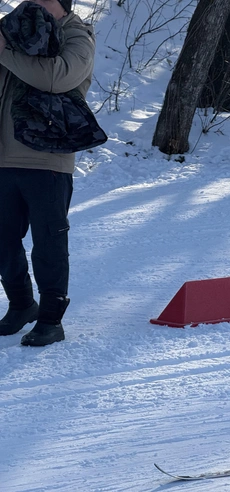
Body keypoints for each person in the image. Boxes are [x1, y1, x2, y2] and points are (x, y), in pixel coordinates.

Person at [0, 0, 96, 346]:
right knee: (3, 240)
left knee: (48, 243)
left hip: (47, 159)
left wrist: (4, 52)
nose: (31, 2)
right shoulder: (12, 31)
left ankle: (51, 320)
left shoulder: (77, 35)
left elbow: (56, 77)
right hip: (3, 158)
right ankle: (22, 305)